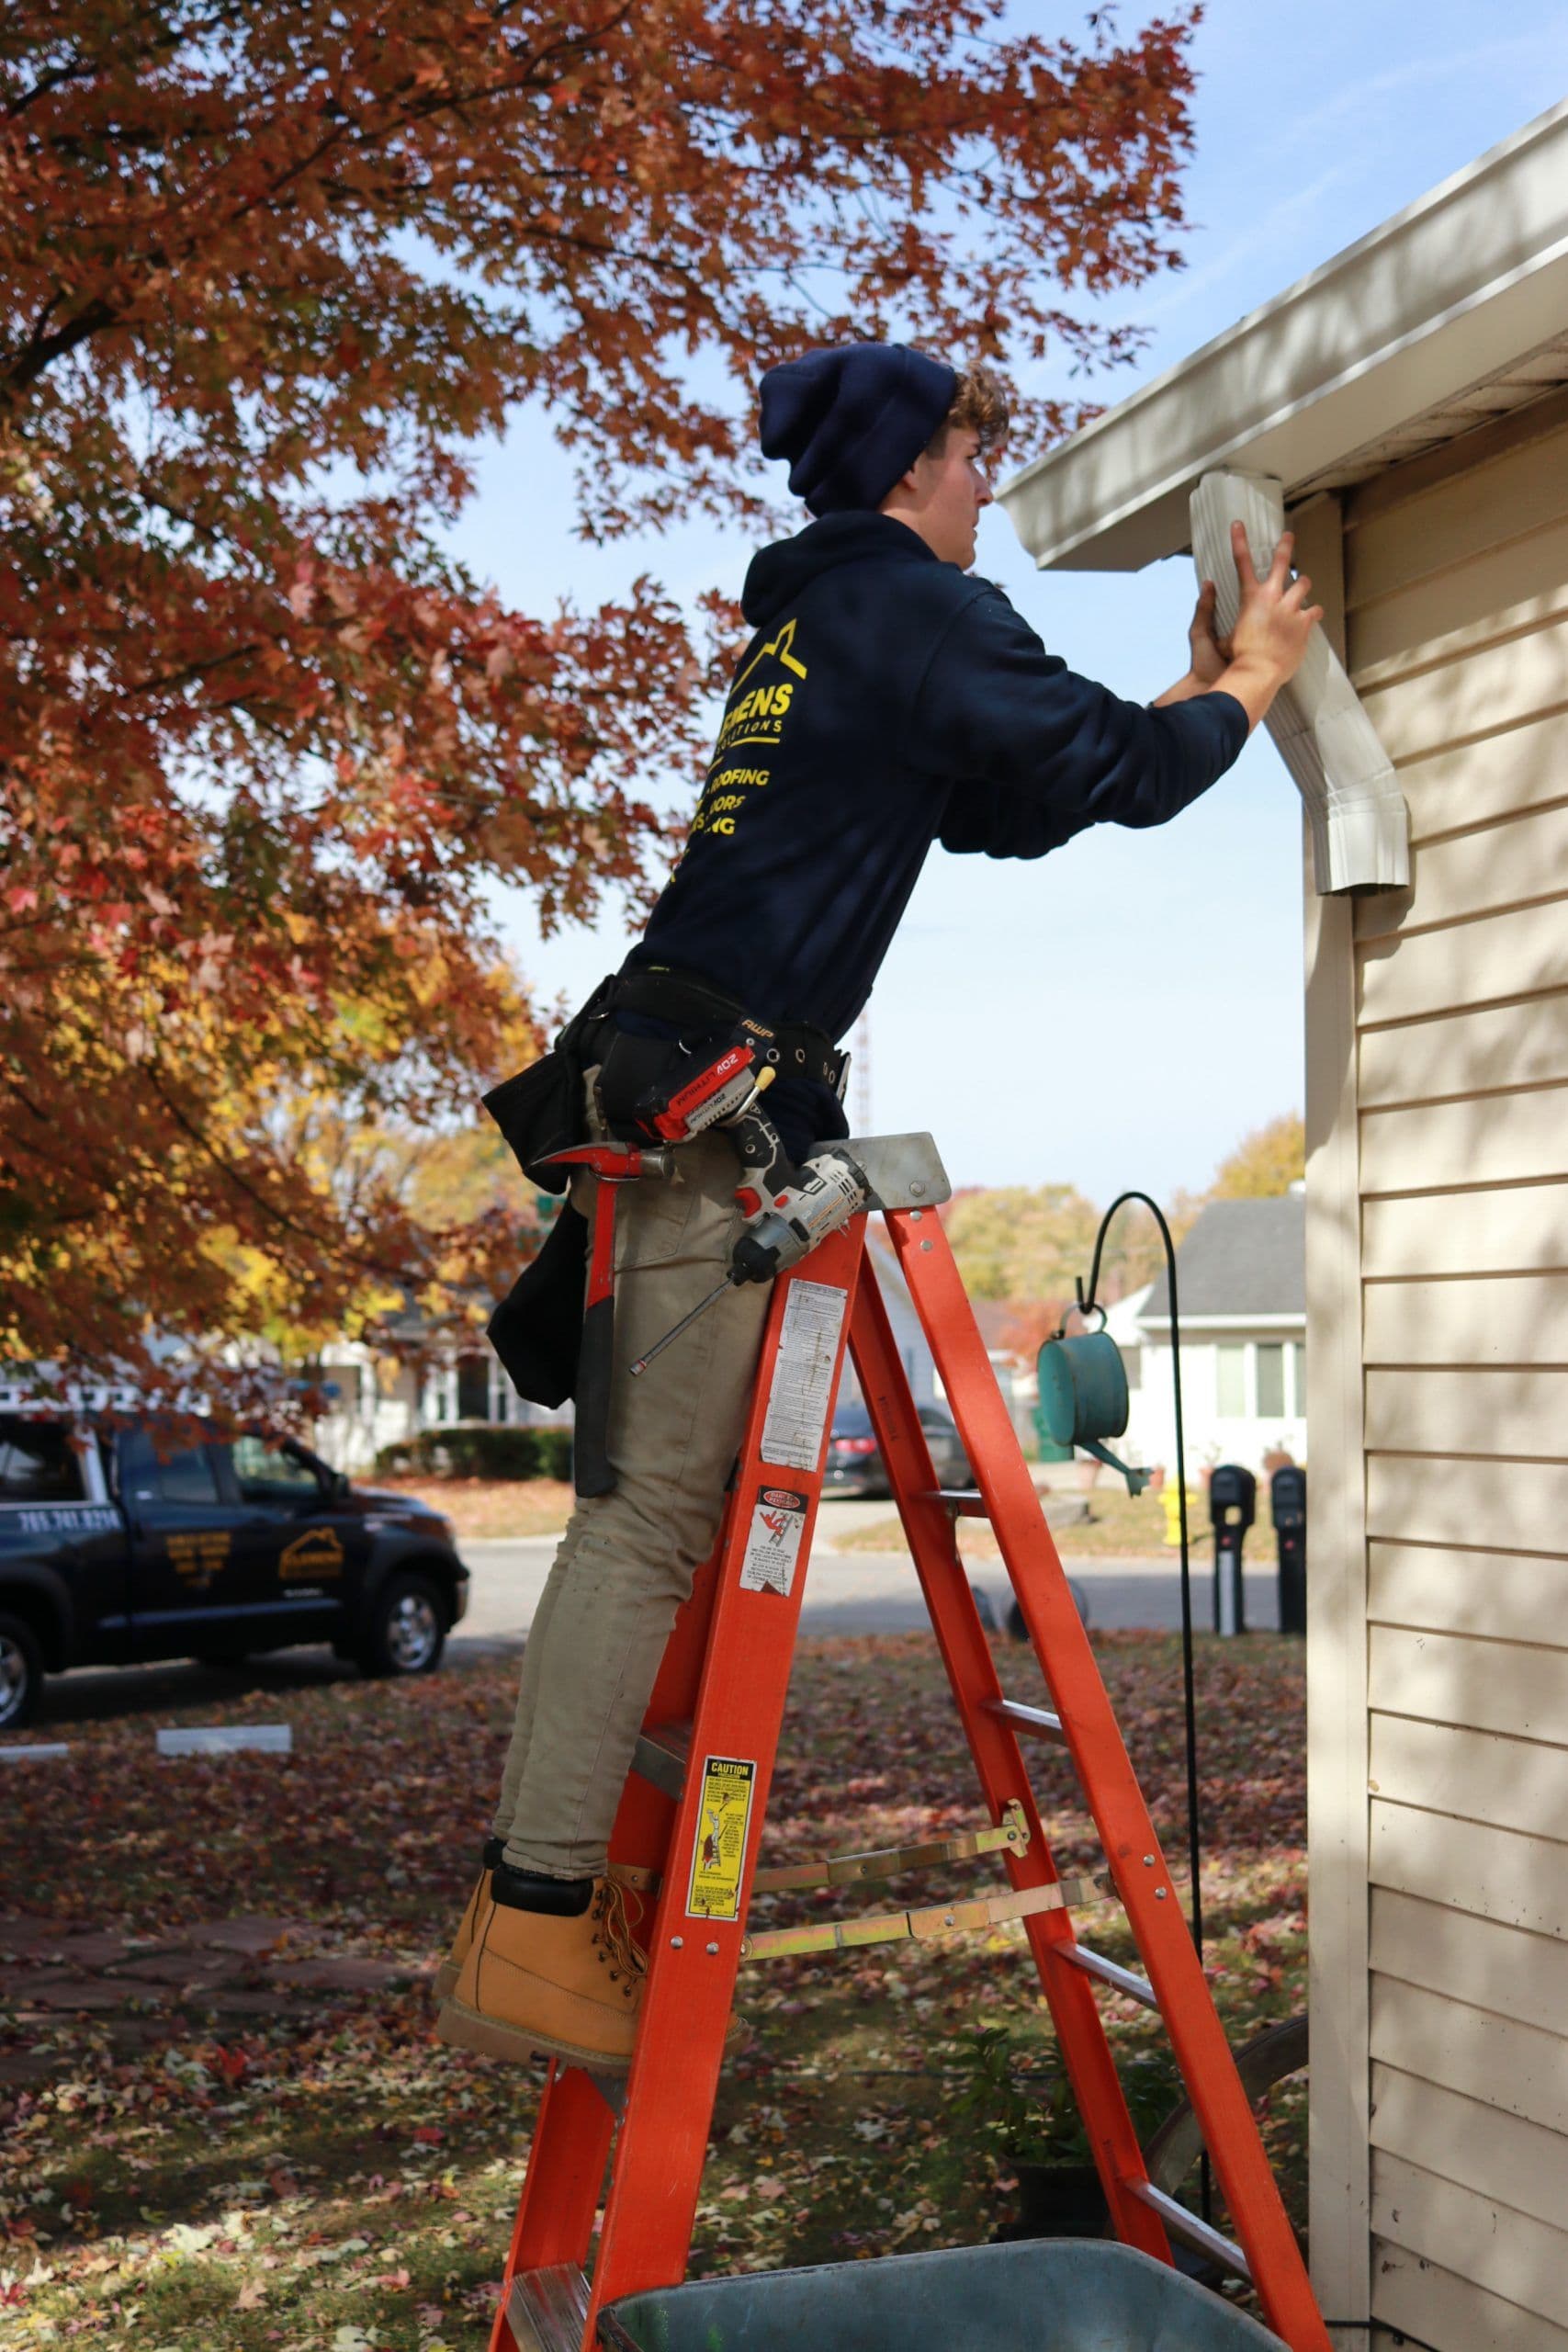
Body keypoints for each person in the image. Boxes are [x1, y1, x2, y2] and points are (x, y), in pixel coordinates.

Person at [435, 342, 1322, 2072]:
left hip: (669, 1088)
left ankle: (538, 1907)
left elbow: (1014, 804)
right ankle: (534, 1924)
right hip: (714, 1120)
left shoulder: (817, 625)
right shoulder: (907, 609)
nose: (992, 478)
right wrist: (1255, 679)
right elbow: (1124, 776)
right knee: (643, 1523)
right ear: (921, 459)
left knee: (643, 1514)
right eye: (982, 449)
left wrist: (1181, 698)